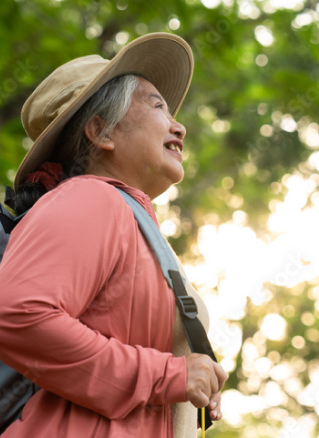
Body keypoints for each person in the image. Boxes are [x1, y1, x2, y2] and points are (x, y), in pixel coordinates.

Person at [0, 32, 227, 437]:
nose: (180, 126)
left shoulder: (131, 222)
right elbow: (17, 314)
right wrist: (168, 376)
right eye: (157, 105)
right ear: (100, 132)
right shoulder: (91, 197)